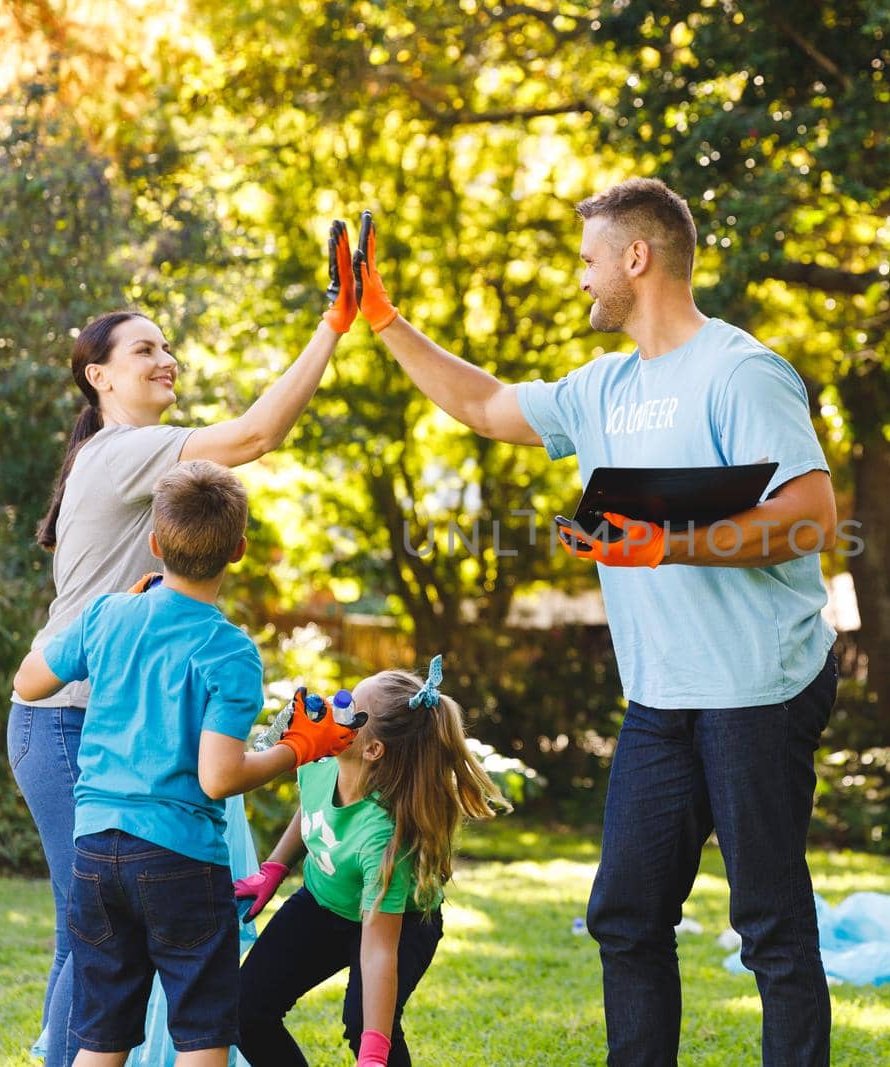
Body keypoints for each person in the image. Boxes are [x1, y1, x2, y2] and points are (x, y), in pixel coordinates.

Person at [348, 179, 841, 1065]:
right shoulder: (603, 386)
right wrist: (383, 321)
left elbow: (811, 516)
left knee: (768, 921)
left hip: (757, 685)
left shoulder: (741, 370)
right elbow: (484, 406)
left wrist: (666, 545)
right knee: (626, 912)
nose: (580, 280)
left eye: (587, 260)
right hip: (662, 695)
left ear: (636, 259)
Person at [8, 220, 363, 1067]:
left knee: (97, 932)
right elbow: (253, 439)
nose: (166, 358)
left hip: (102, 710)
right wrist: (333, 325)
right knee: (85, 934)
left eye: (167, 345)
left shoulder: (133, 458)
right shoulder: (123, 450)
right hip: (66, 717)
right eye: (144, 350)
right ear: (98, 377)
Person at [12, 460, 359, 1065]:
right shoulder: (229, 650)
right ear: (239, 551)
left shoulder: (105, 616)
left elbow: (30, 682)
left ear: (153, 544)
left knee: (101, 1032)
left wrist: (113, 615)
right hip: (179, 860)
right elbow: (218, 777)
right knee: (201, 1031)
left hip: (96, 851)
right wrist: (301, 747)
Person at [233, 655, 507, 1066]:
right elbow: (313, 807)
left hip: (401, 922)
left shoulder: (383, 840)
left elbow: (379, 950)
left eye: (349, 711)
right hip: (324, 903)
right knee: (244, 1011)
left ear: (373, 749)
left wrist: (373, 1053)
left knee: (366, 1028)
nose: (332, 712)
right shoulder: (321, 761)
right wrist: (275, 867)